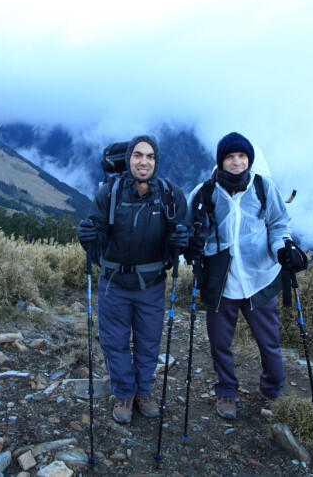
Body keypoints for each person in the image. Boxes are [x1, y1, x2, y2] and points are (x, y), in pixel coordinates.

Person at [186, 132, 305, 420]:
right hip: (220, 282)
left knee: (269, 342)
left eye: (242, 156)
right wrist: (190, 247)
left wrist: (282, 250)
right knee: (219, 343)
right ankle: (226, 391)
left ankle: (273, 388)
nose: (237, 162)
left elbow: (278, 225)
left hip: (260, 279)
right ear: (221, 161)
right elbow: (190, 231)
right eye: (230, 157)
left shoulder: (264, 188)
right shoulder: (204, 193)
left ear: (249, 159)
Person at [78, 135, 189, 424]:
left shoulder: (169, 194)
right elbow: (97, 232)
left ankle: (144, 391)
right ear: (129, 159)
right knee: (114, 342)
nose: (144, 161)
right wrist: (87, 237)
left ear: (156, 161)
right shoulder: (110, 193)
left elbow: (183, 234)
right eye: (138, 155)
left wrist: (181, 240)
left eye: (150, 156)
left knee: (148, 341)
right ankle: (124, 393)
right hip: (114, 282)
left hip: (151, 283)